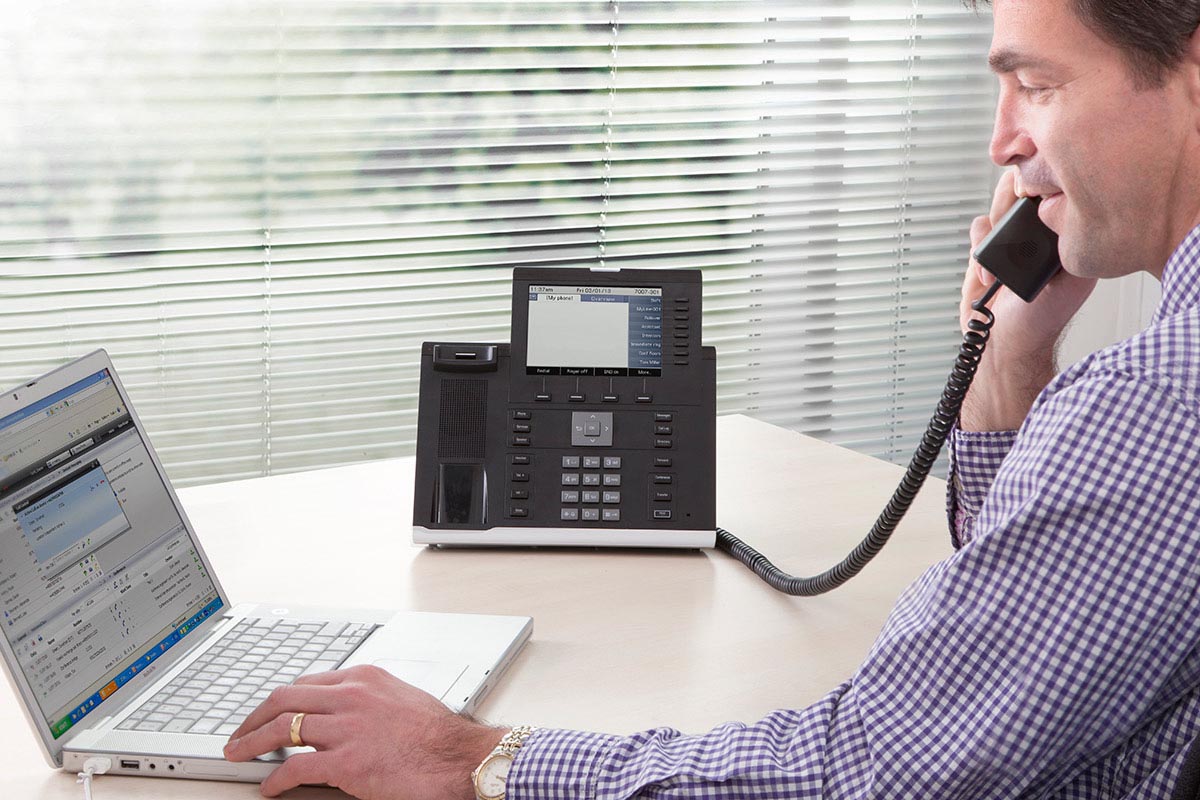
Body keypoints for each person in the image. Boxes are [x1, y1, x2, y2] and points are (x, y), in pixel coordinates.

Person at [223, 1, 1200, 797]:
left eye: (1037, 86)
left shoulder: (1153, 399)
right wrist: (1008, 359)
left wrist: (471, 757)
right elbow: (1037, 620)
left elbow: (866, 772)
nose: (1001, 143)